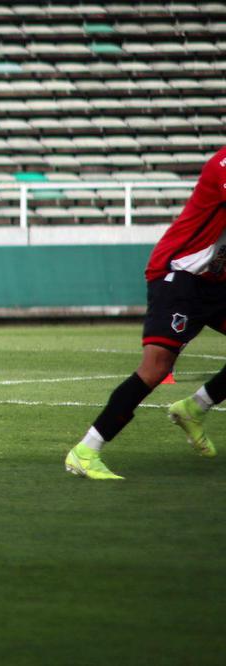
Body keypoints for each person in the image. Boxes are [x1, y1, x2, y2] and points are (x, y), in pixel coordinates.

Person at [66, 146, 226, 479]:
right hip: (178, 273)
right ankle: (86, 450)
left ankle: (196, 407)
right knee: (155, 368)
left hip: (214, 279)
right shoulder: (222, 163)